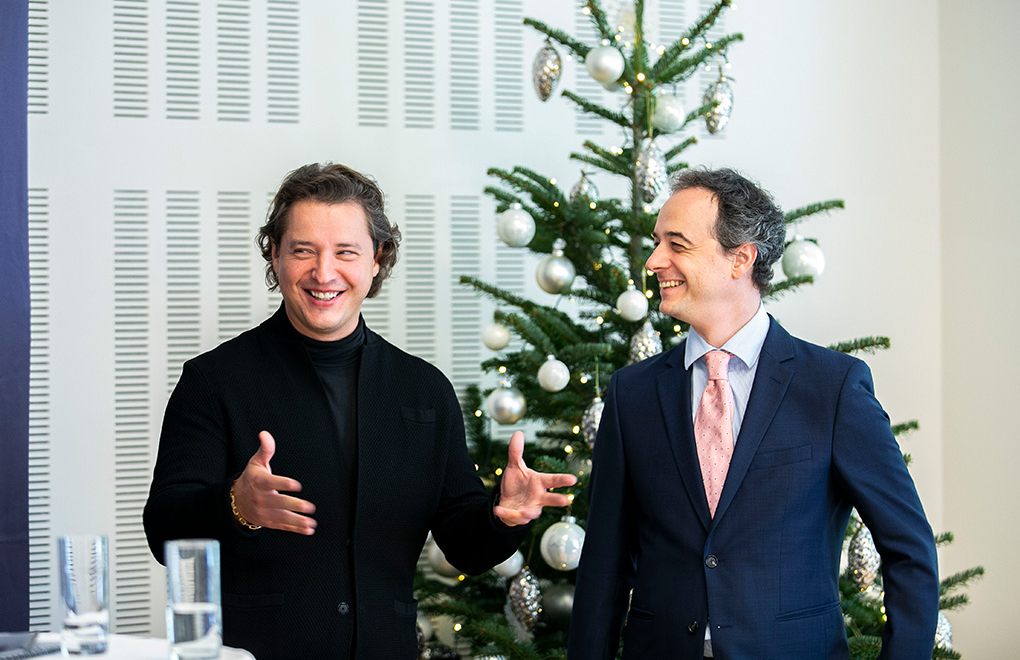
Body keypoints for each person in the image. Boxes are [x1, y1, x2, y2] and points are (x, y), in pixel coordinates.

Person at [144, 162, 576, 659]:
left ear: (377, 259)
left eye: (345, 252)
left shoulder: (424, 391)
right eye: (302, 250)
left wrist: (506, 516)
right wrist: (237, 505)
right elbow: (164, 529)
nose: (323, 273)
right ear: (274, 254)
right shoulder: (214, 382)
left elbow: (463, 544)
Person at [567, 168, 939, 659]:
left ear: (740, 258)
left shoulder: (833, 387)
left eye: (677, 244)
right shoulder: (631, 393)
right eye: (658, 243)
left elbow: (909, 550)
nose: (656, 260)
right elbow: (604, 565)